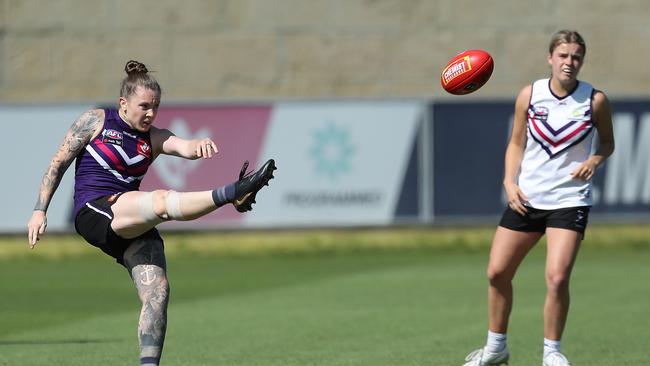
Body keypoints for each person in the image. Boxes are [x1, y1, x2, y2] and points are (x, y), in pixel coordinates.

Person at [26, 60, 277, 366]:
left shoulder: (153, 138)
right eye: (144, 106)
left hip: (129, 219)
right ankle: (232, 193)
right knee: (159, 202)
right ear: (123, 103)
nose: (150, 113)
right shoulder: (95, 121)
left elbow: (183, 146)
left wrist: (196, 144)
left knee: (158, 292)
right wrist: (40, 210)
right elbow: (58, 163)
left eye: (155, 107)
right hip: (94, 210)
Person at [462, 30, 614, 366]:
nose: (569, 62)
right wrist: (509, 181)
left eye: (575, 56)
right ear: (550, 58)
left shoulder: (595, 100)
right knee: (496, 272)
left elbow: (607, 143)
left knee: (557, 277)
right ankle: (496, 348)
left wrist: (594, 160)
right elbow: (516, 143)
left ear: (582, 61)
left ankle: (552, 353)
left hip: (569, 200)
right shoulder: (530, 95)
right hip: (527, 198)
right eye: (563, 55)